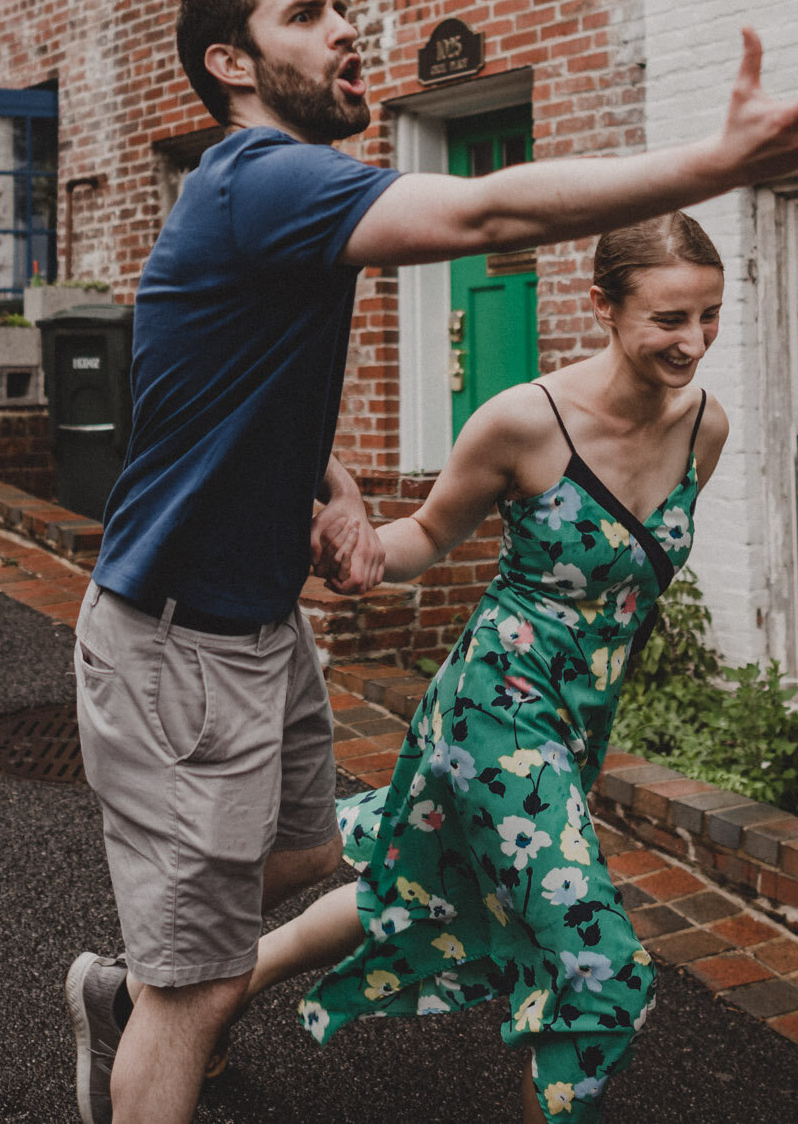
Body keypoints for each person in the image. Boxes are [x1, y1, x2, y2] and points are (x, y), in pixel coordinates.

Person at [67, 0, 798, 1124]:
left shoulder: (273, 208)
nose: (344, 25)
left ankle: (160, 971)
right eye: (305, 14)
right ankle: (147, 1003)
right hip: (177, 645)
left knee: (305, 866)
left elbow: (191, 370)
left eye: (341, 4)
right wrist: (716, 160)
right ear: (232, 63)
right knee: (192, 982)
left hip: (258, 633)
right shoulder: (260, 177)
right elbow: (487, 215)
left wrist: (329, 476)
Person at [241, 211, 729, 1122]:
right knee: (598, 969)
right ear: (603, 307)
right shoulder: (524, 421)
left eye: (709, 314)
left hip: (574, 720)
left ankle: (160, 996)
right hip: (495, 709)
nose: (693, 341)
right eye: (669, 318)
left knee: (415, 885)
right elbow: (427, 531)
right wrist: (350, 554)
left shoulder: (705, 428)